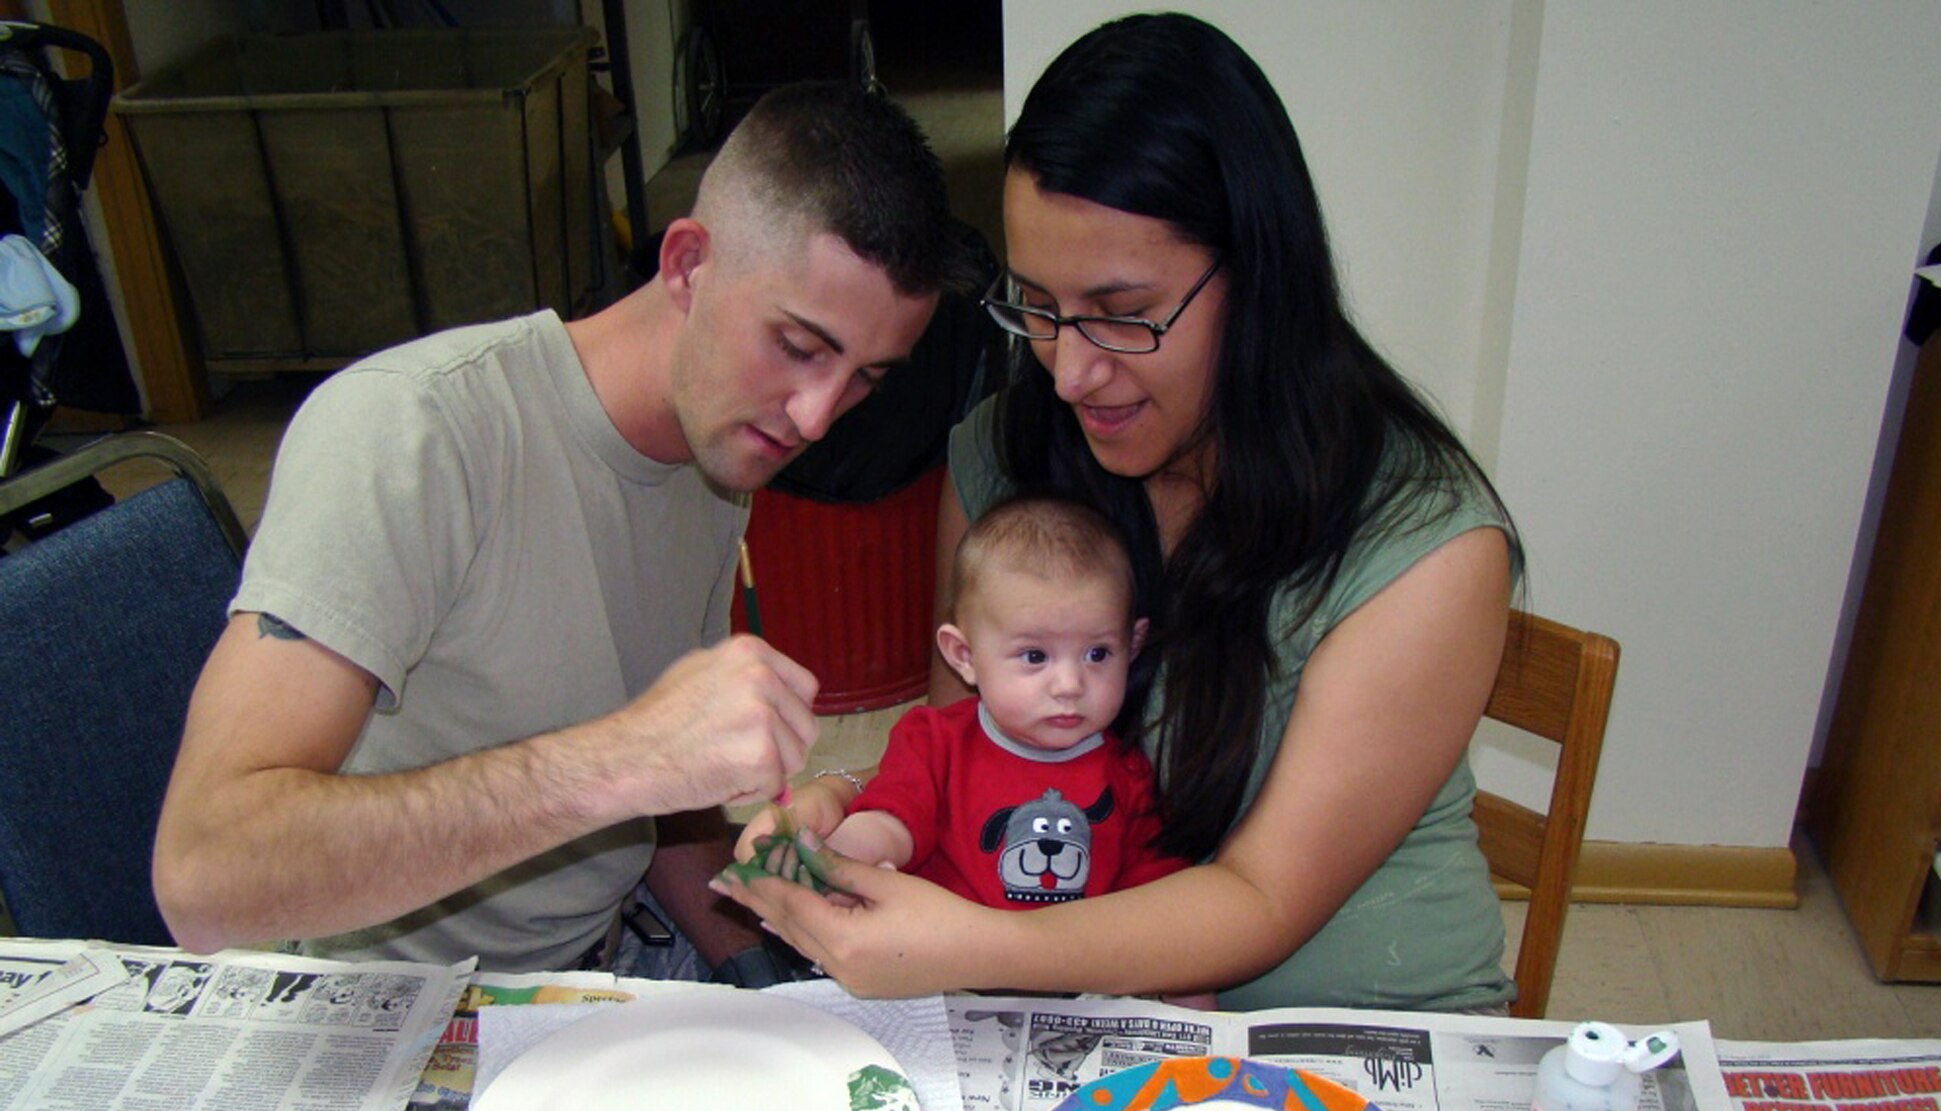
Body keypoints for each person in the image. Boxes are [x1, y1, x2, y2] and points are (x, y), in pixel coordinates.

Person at [719, 15, 1522, 1012]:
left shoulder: (1424, 544)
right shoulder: (1006, 451)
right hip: (1081, 1007)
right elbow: (965, 744)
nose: (1069, 369)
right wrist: (843, 809)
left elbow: (1261, 900)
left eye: (1121, 311)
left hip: (1357, 1024)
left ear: (1258, 276)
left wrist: (977, 945)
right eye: (1037, 307)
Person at [152, 82, 971, 983]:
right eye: (799, 346)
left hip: (613, 955)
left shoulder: (719, 451)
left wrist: (760, 966)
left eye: (865, 377)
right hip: (400, 1006)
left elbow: (660, 816)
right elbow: (203, 876)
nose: (818, 416)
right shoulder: (411, 432)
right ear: (689, 264)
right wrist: (623, 760)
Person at [815, 495, 1187, 911]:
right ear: (964, 656)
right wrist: (838, 861)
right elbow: (892, 821)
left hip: (1071, 971)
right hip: (940, 964)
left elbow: (1152, 900)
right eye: (1035, 656)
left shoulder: (1129, 777)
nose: (1069, 685)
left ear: (1132, 646)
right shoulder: (935, 743)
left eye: (1097, 654)